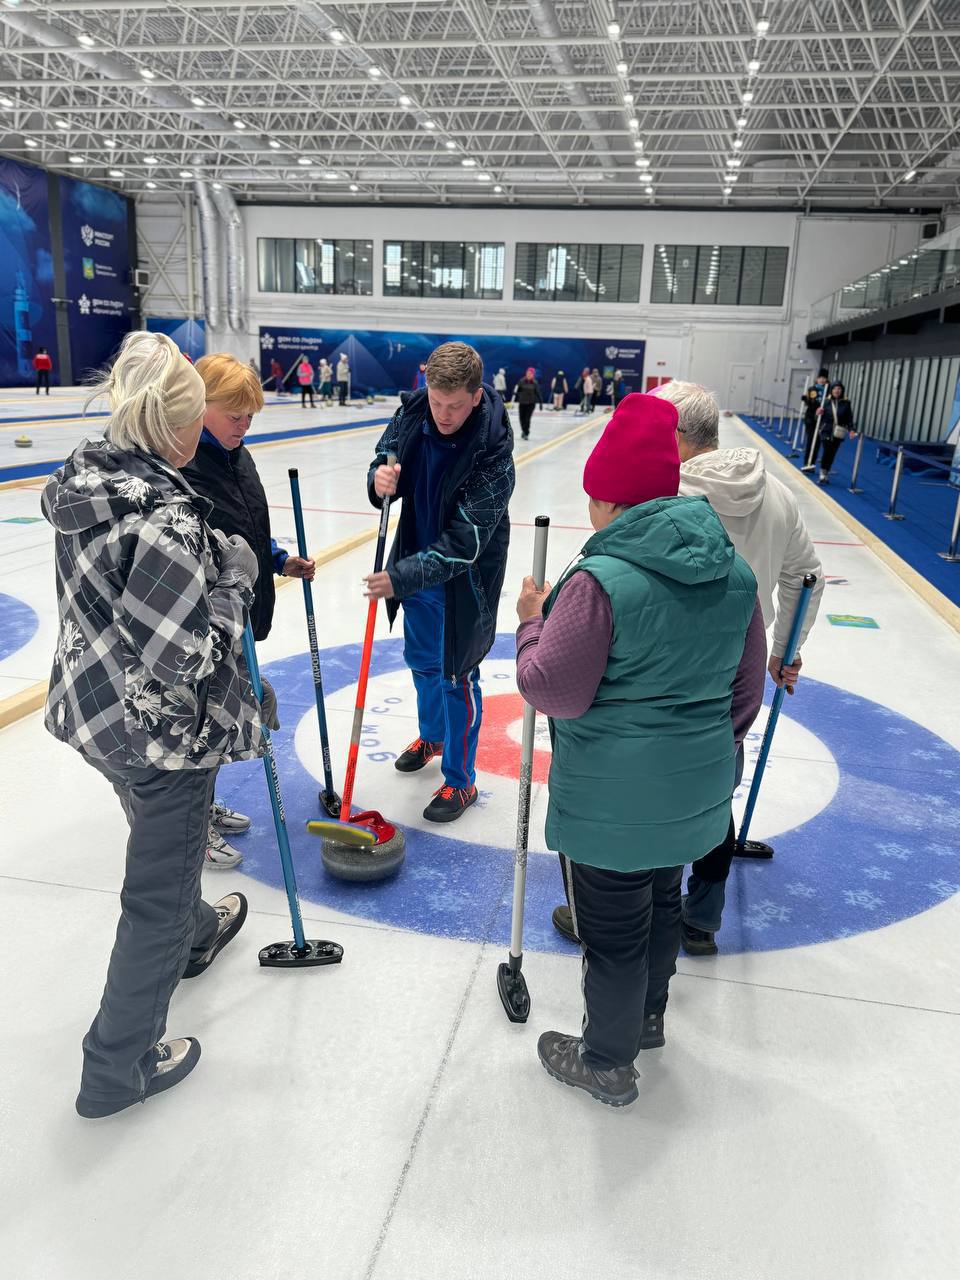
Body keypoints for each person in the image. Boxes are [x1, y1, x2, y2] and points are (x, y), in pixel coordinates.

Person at [41, 330, 266, 1118]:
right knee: (155, 902)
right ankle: (118, 1068)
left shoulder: (90, 480)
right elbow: (186, 657)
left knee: (161, 855)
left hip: (97, 713)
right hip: (159, 734)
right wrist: (234, 581)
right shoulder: (161, 519)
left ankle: (198, 931)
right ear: (171, 427)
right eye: (196, 417)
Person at [516, 393, 759, 1107]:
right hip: (698, 791)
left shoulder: (599, 582)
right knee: (661, 906)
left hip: (613, 803)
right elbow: (743, 697)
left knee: (614, 933)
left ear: (602, 499)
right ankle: (649, 1018)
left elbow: (551, 688)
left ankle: (607, 1061)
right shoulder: (733, 572)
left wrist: (532, 624)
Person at [656, 380, 824, 955]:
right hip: (740, 670)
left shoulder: (667, 494)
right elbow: (807, 575)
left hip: (669, 665)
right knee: (713, 792)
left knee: (652, 786)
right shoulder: (775, 492)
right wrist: (784, 648)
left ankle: (638, 911)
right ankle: (702, 917)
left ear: (677, 436)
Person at [364, 341, 515, 823]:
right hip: (415, 571)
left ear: (476, 396)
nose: (443, 414)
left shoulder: (494, 457)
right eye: (436, 401)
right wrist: (379, 479)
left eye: (454, 405)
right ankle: (432, 736)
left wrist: (401, 575)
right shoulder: (413, 412)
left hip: (462, 584)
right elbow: (384, 453)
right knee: (422, 664)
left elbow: (465, 543)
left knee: (456, 676)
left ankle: (460, 780)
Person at [181, 352, 316, 869]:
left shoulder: (238, 453)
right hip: (207, 618)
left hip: (241, 608)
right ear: (199, 404)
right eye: (233, 414)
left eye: (251, 416)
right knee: (200, 724)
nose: (244, 425)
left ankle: (202, 807)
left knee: (217, 724)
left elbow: (245, 530)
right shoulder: (188, 463)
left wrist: (279, 559)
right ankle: (189, 831)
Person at [815, 381, 856, 485]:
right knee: (827, 451)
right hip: (826, 430)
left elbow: (849, 418)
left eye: (839, 388)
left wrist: (851, 430)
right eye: (834, 388)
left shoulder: (846, 403)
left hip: (838, 432)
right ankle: (822, 473)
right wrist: (817, 413)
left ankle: (826, 472)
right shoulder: (826, 401)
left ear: (842, 390)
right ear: (831, 390)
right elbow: (818, 418)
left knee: (832, 453)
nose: (837, 390)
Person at [513, 366, 543, 439]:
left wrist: (541, 403)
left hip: (531, 403)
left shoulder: (535, 383)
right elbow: (516, 390)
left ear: (533, 375)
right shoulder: (521, 381)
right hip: (522, 403)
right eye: (527, 373)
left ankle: (526, 433)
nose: (528, 375)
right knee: (521, 418)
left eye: (530, 373)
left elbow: (538, 393)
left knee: (527, 419)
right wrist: (516, 394)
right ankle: (524, 430)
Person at [799, 385, 822, 472]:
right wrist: (806, 397)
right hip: (810, 424)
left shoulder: (820, 401)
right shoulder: (809, 401)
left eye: (814, 393)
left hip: (819, 424)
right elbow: (805, 400)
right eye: (811, 393)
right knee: (810, 443)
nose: (813, 394)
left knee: (817, 444)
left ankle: (812, 464)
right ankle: (806, 463)